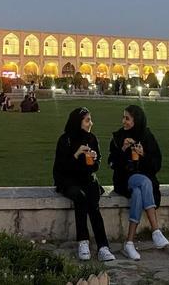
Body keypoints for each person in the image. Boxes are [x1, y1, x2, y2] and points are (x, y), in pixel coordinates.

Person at [53, 107, 115, 262]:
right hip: (68, 180)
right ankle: (83, 242)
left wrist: (94, 159)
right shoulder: (65, 140)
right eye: (87, 120)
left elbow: (96, 165)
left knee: (93, 202)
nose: (91, 123)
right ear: (78, 122)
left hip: (87, 179)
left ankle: (103, 247)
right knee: (80, 198)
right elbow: (61, 168)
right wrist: (76, 154)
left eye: (90, 120)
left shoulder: (91, 139)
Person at [109, 105, 169, 260]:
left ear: (137, 120)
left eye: (127, 118)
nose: (124, 121)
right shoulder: (118, 137)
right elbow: (112, 164)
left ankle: (129, 243)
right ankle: (155, 230)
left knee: (139, 191)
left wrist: (143, 154)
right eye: (123, 117)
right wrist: (122, 149)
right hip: (124, 179)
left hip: (142, 178)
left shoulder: (147, 136)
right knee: (144, 182)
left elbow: (157, 164)